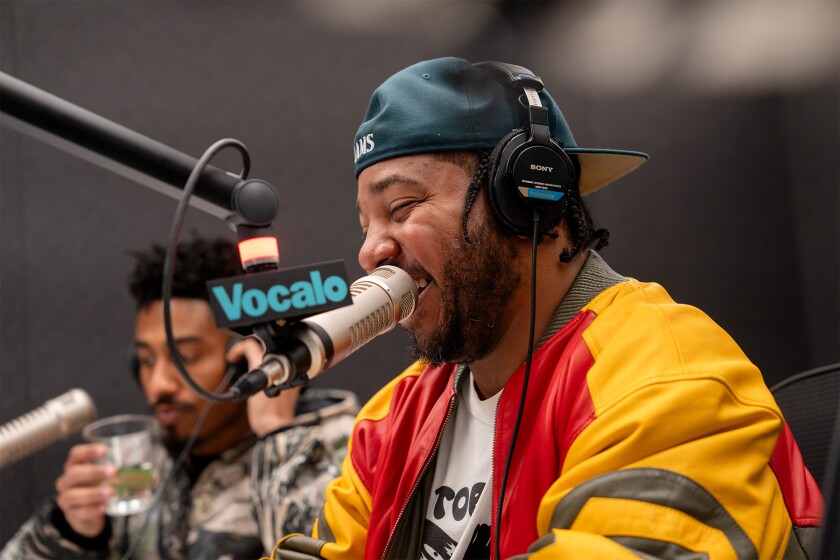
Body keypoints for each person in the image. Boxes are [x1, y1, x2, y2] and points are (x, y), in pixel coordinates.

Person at [275, 58, 823, 559]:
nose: (370, 251)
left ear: (525, 200)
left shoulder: (667, 373)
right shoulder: (393, 418)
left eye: (402, 206)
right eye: (365, 224)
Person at [2, 236, 358, 559]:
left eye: (185, 358)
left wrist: (278, 432)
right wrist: (71, 534)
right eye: (146, 360)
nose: (158, 385)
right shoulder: (138, 463)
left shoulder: (350, 449)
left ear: (246, 360)